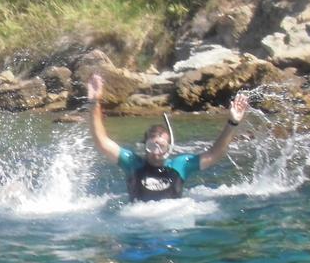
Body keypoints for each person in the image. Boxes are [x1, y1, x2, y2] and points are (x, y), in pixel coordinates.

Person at [86, 73, 249, 202]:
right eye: (151, 146)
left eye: (161, 146)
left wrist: (232, 122)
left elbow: (214, 154)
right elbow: (101, 142)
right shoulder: (132, 163)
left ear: (169, 148)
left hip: (169, 225)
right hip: (137, 227)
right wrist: (95, 103)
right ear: (144, 146)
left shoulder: (180, 165)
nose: (156, 152)